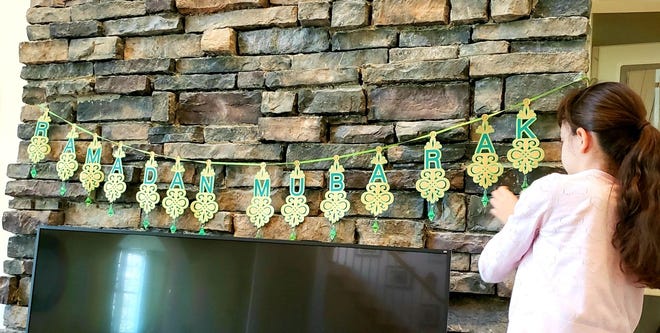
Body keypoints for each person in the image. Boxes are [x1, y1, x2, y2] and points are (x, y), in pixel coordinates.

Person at [478, 82, 660, 332]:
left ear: (582, 139)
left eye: (564, 139)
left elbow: (491, 268)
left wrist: (514, 217)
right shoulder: (640, 203)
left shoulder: (554, 190)